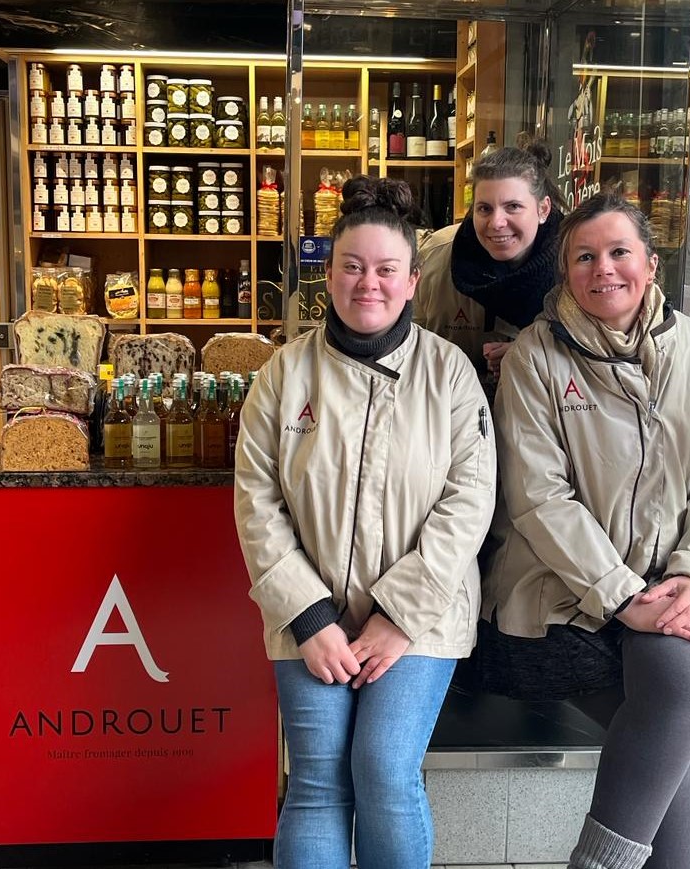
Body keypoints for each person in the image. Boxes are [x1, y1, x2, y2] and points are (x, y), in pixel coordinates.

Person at [234, 175, 497, 869]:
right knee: (318, 779)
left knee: (382, 768)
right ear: (329, 276)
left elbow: (469, 502)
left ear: (413, 280)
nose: (368, 283)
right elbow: (256, 501)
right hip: (308, 618)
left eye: (386, 270)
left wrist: (398, 615)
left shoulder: (450, 374)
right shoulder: (282, 376)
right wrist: (308, 616)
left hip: (423, 616)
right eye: (352, 267)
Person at [480, 190, 690, 869]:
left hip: (668, 589)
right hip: (560, 596)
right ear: (564, 272)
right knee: (677, 706)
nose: (604, 269)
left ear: (651, 265)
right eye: (584, 257)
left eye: (619, 252)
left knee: (676, 692)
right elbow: (539, 498)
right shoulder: (536, 357)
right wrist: (627, 595)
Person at [414, 140, 567, 392]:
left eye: (513, 207)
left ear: (543, 209)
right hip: (452, 417)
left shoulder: (577, 264)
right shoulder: (435, 257)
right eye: (484, 209)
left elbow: (601, 359)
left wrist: (529, 357)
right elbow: (408, 351)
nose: (496, 222)